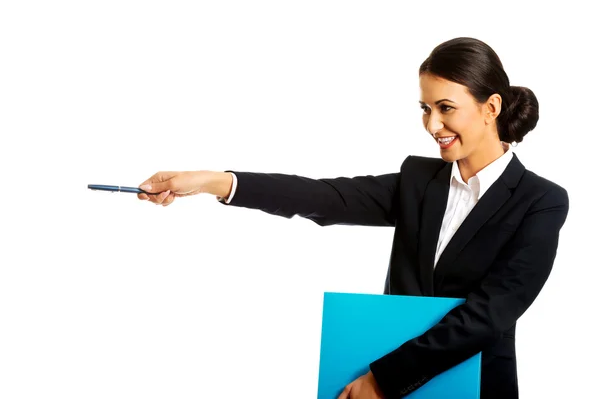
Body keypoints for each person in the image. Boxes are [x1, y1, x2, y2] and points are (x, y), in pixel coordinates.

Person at [137, 37, 569, 399]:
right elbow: (325, 196)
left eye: (445, 107)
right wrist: (216, 181)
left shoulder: (540, 201)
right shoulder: (419, 180)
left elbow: (489, 314)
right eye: (423, 108)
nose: (431, 123)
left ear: (490, 107)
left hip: (465, 387)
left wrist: (383, 379)